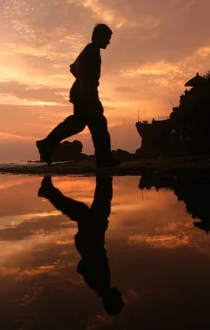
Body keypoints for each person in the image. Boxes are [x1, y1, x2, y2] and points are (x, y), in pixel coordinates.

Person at [36, 24, 121, 168]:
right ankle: (103, 160)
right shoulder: (91, 50)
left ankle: (46, 144)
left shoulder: (91, 50)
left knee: (79, 124)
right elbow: (78, 71)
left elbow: (73, 67)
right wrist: (87, 90)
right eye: (107, 38)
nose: (108, 42)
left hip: (82, 93)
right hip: (85, 95)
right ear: (99, 37)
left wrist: (81, 81)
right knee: (97, 125)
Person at [38, 175, 124, 315]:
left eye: (119, 299)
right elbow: (82, 268)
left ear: (111, 301)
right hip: (90, 240)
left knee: (89, 209)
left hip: (90, 240)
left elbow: (87, 265)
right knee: (85, 210)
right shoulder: (100, 286)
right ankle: (49, 191)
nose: (120, 294)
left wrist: (94, 240)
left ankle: (49, 192)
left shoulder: (101, 284)